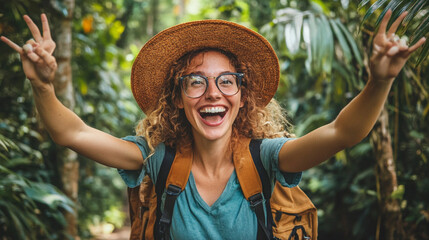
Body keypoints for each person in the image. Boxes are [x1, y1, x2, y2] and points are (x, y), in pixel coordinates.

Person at [1, 10, 426, 239]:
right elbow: (70, 133)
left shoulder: (266, 158)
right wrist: (43, 86)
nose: (212, 93)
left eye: (226, 81)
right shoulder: (157, 159)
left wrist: (380, 81)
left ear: (242, 96)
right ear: (177, 98)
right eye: (195, 82)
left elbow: (341, 133)